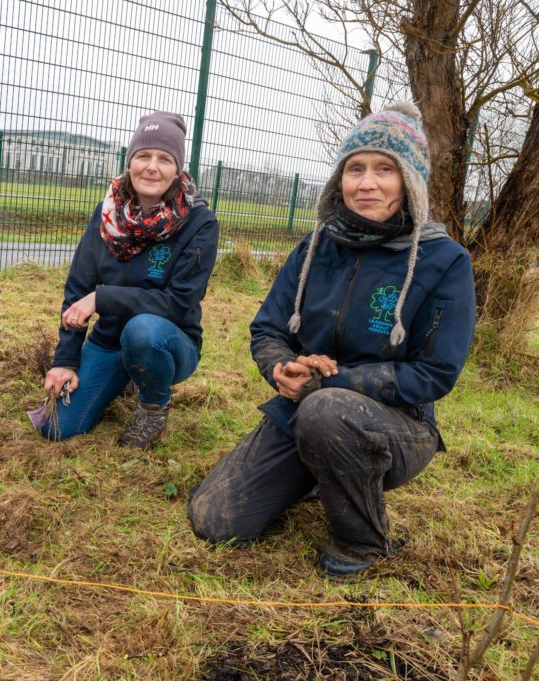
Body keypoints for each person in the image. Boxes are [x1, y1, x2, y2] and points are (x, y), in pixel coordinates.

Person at [187, 102, 476, 577]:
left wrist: (334, 380)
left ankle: (361, 543)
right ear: (338, 179)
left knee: (327, 412)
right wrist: (281, 366)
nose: (367, 183)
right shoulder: (314, 247)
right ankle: (324, 469)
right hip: (306, 405)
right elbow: (268, 327)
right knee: (216, 520)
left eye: (385, 169)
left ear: (409, 181)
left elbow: (435, 372)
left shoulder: (443, 261)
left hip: (396, 425)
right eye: (354, 168)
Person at [34, 112, 219, 449]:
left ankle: (153, 405)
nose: (152, 167)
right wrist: (65, 360)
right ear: (129, 161)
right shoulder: (105, 215)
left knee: (143, 331)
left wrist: (102, 298)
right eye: (143, 156)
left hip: (168, 342)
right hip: (110, 342)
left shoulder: (200, 223)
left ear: (177, 170)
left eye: (164, 159)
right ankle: (125, 376)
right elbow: (78, 289)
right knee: (56, 428)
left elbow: (178, 303)